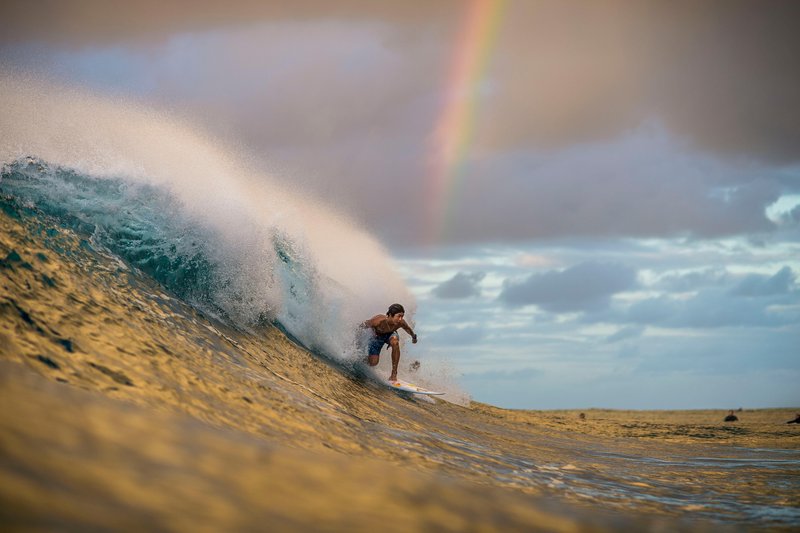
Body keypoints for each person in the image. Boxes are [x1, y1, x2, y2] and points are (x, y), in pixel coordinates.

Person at [361, 303, 417, 382]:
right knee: (373, 363)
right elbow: (363, 325)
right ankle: (361, 359)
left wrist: (413, 337)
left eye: (402, 316)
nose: (401, 319)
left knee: (395, 343)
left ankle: (394, 374)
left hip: (391, 334)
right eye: (399, 316)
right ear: (390, 315)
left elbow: (408, 329)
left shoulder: (400, 323)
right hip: (377, 338)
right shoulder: (377, 321)